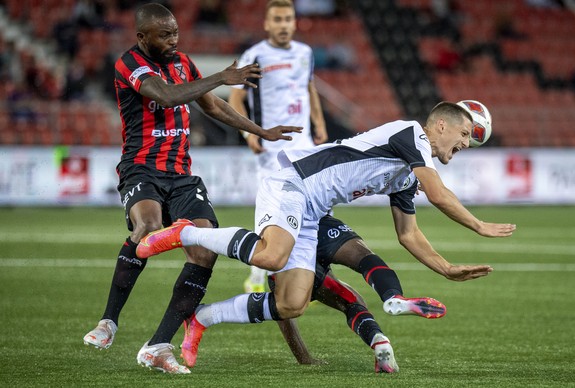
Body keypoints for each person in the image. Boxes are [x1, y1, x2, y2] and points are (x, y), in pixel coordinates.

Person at [137, 101, 517, 372]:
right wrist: (479, 226)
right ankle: (187, 232)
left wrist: (446, 269)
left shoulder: (406, 174)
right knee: (271, 257)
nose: (465, 144)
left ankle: (203, 317)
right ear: (440, 126)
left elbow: (409, 234)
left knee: (291, 303)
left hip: (313, 210)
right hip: (293, 183)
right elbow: (438, 194)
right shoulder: (411, 134)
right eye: (465, 135)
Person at [82, 2, 301, 375]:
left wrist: (260, 131)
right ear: (142, 37)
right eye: (164, 34)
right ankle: (108, 322)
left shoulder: (183, 61)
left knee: (206, 246)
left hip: (182, 174)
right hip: (141, 169)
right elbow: (165, 96)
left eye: (175, 33)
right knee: (148, 228)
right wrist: (220, 76)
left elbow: (212, 107)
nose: (173, 40)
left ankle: (159, 344)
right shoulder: (129, 64)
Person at [227, 0, 328, 294]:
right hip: (273, 147)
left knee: (314, 209)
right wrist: (250, 134)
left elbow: (309, 88)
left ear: (294, 23)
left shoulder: (305, 53)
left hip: (305, 144)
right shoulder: (255, 54)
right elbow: (236, 98)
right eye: (278, 20)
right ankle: (258, 276)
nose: (283, 25)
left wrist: (319, 123)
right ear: (267, 24)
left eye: (288, 19)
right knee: (272, 212)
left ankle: (309, 275)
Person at [274, 214, 446, 373]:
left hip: (285, 241)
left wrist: (304, 358)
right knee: (361, 269)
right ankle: (389, 305)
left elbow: (283, 316)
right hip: (321, 224)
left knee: (283, 307)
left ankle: (379, 339)